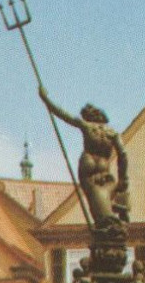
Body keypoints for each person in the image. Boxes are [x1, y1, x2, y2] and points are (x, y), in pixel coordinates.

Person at [39, 86, 130, 227]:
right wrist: (123, 177)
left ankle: (110, 217)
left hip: (88, 165)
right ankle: (112, 213)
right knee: (103, 194)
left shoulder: (86, 126)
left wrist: (45, 99)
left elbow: (63, 115)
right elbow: (123, 155)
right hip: (104, 169)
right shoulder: (112, 133)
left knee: (95, 201)